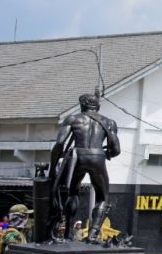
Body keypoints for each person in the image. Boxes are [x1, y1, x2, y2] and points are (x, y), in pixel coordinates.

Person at [49, 92, 121, 243]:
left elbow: (60, 143)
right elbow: (116, 150)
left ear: (82, 105)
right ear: (98, 107)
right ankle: (93, 235)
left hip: (78, 156)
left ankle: (68, 232)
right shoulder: (109, 123)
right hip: (98, 156)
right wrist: (105, 153)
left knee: (73, 192)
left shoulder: (73, 119)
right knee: (102, 197)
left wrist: (53, 167)